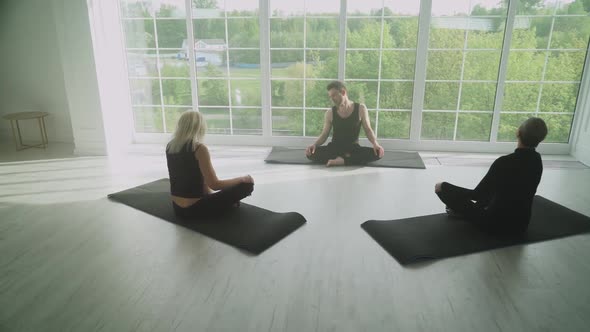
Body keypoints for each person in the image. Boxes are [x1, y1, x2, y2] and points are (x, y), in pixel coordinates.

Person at [434, 117, 548, 235]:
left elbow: (477, 194)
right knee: (498, 193)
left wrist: (445, 186)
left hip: (494, 225)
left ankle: (461, 211)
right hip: (521, 225)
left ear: (518, 133)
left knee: (441, 188)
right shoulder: (537, 160)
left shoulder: (504, 162)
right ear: (541, 139)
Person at [165, 110, 254, 219]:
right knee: (247, 185)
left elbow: (192, 179)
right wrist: (242, 179)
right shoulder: (199, 148)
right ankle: (225, 206)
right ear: (199, 127)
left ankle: (224, 204)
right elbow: (214, 184)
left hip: (178, 209)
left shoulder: (170, 146)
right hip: (195, 210)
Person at [305, 81, 385, 167]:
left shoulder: (361, 108)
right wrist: (314, 144)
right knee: (310, 154)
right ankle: (346, 159)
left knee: (377, 153)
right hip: (334, 149)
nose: (332, 99)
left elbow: (368, 130)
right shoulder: (330, 113)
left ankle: (341, 160)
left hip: (353, 149)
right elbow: (324, 134)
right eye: (330, 96)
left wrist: (375, 144)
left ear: (343, 92)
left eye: (334, 95)